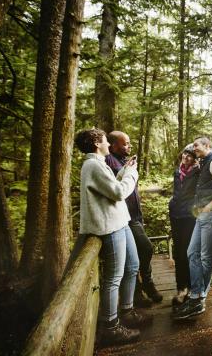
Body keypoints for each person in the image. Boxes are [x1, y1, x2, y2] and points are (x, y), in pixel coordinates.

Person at [75, 128, 152, 346]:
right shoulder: (92, 164)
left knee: (132, 266)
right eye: (104, 140)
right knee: (113, 277)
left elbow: (110, 187)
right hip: (110, 226)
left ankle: (127, 311)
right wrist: (132, 174)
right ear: (96, 143)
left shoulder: (98, 163)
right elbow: (118, 193)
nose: (108, 142)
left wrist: (123, 172)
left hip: (120, 221)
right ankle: (111, 326)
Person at [173, 136, 212, 319]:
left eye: (197, 145)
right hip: (203, 215)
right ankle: (196, 295)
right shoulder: (204, 162)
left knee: (206, 258)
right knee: (192, 253)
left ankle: (197, 299)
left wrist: (208, 207)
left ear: (207, 145)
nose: (194, 148)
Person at [105, 131, 163, 306]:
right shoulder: (109, 161)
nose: (129, 147)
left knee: (139, 252)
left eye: (129, 143)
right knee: (145, 248)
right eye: (125, 144)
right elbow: (118, 188)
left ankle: (145, 285)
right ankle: (140, 288)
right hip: (125, 218)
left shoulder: (122, 161)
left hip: (135, 215)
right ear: (113, 145)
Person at [168, 144, 199, 307]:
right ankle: (181, 288)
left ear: (195, 158)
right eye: (184, 154)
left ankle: (192, 288)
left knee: (188, 252)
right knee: (179, 252)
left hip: (189, 216)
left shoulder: (198, 171)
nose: (185, 158)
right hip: (175, 215)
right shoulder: (177, 170)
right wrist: (172, 204)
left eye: (190, 155)